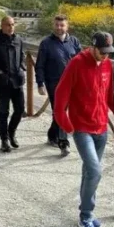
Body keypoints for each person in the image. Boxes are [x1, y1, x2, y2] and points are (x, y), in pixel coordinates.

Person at [54, 32, 114, 227]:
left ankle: (85, 212)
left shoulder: (108, 65)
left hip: (102, 127)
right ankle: (86, 215)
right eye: (102, 52)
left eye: (109, 53)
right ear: (92, 47)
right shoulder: (76, 64)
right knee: (95, 170)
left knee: (89, 173)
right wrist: (67, 126)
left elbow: (110, 96)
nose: (105, 56)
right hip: (82, 128)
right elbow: (60, 96)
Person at [35, 14, 81, 156]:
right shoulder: (46, 43)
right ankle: (63, 142)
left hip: (71, 82)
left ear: (67, 26)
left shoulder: (74, 41)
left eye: (62, 25)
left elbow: (81, 62)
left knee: (59, 111)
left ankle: (51, 135)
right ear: (53, 25)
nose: (59, 28)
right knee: (61, 110)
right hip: (54, 82)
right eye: (57, 25)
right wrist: (40, 83)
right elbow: (40, 65)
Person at [0, 16, 25, 152]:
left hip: (17, 81)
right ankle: (4, 140)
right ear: (2, 26)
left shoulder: (18, 40)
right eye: (8, 25)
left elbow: (22, 54)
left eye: (13, 24)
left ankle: (11, 132)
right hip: (3, 82)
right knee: (4, 112)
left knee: (19, 110)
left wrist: (22, 66)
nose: (11, 27)